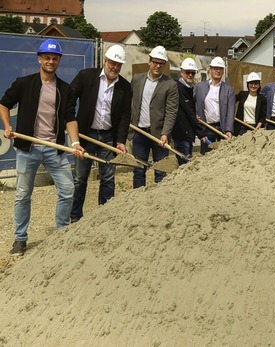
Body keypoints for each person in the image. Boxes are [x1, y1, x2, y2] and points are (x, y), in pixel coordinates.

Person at [0, 39, 84, 256]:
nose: (50, 61)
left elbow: (70, 118)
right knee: (23, 195)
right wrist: (8, 126)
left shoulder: (65, 89)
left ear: (59, 61)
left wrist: (75, 143)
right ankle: (20, 239)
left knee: (67, 190)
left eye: (54, 58)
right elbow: (4, 104)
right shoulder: (24, 83)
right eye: (47, 57)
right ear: (39, 59)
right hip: (27, 149)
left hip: (53, 148)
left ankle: (61, 233)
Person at [69, 44, 132, 223]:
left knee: (108, 178)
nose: (115, 67)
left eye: (119, 64)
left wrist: (120, 141)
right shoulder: (86, 76)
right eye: (112, 63)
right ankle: (75, 218)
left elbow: (125, 116)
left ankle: (104, 217)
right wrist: (72, 124)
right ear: (105, 61)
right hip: (86, 135)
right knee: (80, 178)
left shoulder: (125, 87)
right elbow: (70, 99)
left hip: (108, 137)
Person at [129, 45, 178, 188]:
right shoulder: (137, 79)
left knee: (161, 171)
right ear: (149, 61)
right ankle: (138, 201)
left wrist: (165, 133)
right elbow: (130, 103)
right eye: (155, 62)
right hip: (139, 132)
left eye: (161, 63)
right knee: (138, 170)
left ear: (164, 65)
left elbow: (171, 111)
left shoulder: (170, 84)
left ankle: (158, 204)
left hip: (159, 135)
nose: (157, 66)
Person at [194, 56, 235, 153]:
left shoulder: (228, 90)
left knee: (223, 155)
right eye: (215, 68)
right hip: (207, 128)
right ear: (210, 70)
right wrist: (195, 115)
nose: (218, 71)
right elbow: (191, 103)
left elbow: (230, 111)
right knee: (206, 155)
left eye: (220, 69)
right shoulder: (200, 87)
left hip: (222, 128)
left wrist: (229, 130)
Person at [172, 57, 203, 165]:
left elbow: (191, 111)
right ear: (181, 72)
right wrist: (201, 133)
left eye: (192, 73)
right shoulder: (179, 88)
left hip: (188, 133)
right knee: (184, 165)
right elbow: (189, 111)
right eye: (187, 72)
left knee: (187, 163)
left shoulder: (189, 88)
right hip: (181, 133)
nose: (190, 75)